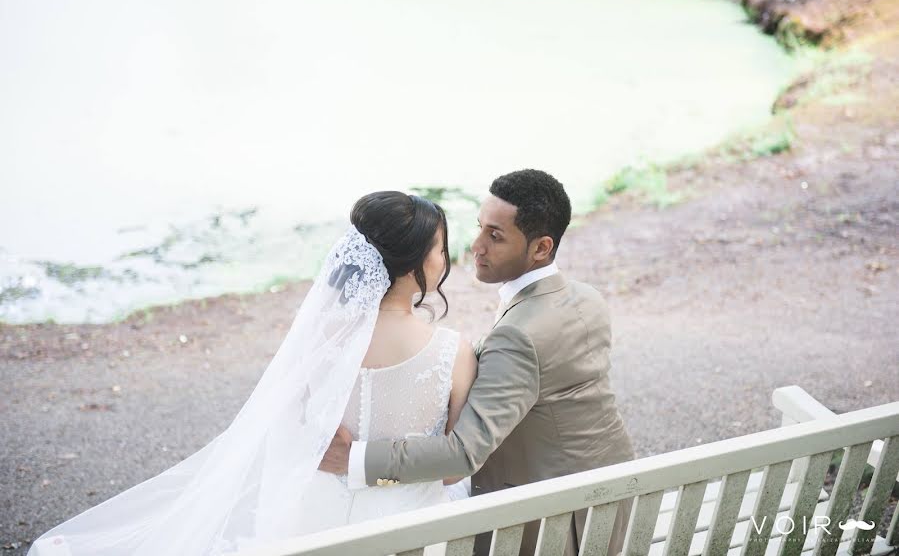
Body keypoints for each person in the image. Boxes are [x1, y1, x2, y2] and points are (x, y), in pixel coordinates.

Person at [28, 191, 477, 556]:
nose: (446, 257)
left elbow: (293, 435)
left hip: (309, 525)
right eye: (440, 248)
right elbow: (452, 471)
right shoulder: (452, 352)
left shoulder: (323, 340)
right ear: (414, 262)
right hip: (410, 536)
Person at [320, 169, 636, 556]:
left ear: (540, 248)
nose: (476, 246)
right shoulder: (586, 298)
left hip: (553, 525)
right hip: (609, 502)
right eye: (480, 228)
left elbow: (463, 454)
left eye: (495, 236)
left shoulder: (517, 336)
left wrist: (353, 460)